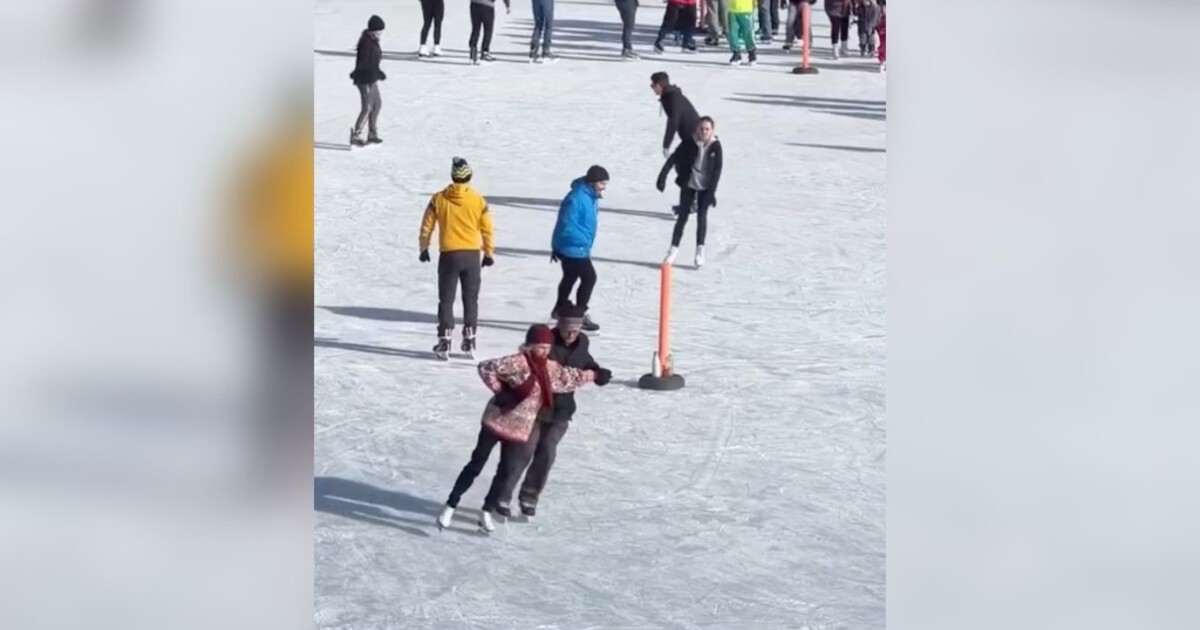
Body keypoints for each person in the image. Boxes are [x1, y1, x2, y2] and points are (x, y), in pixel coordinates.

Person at [436, 325, 603, 533]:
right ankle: (450, 505)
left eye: (546, 347)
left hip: (519, 429)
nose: (544, 351)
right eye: (540, 347)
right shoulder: (516, 362)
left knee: (505, 472)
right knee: (476, 464)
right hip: (495, 422)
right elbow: (486, 367)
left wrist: (594, 374)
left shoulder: (550, 369)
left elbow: (569, 377)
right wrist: (501, 392)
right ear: (530, 346)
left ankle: (486, 511)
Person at [509, 304, 610, 518]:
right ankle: (502, 495)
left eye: (577, 328)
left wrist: (598, 372)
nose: (572, 333)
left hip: (561, 413)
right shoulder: (546, 342)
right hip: (534, 411)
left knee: (547, 451)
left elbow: (587, 363)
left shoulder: (582, 343)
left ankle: (529, 495)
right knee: (523, 452)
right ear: (560, 325)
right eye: (568, 328)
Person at [418, 157, 496, 359]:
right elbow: (487, 229)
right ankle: (470, 337)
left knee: (446, 299)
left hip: (449, 256)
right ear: (469, 176)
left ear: (452, 175)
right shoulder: (478, 200)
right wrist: (488, 253)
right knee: (471, 299)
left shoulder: (438, 199)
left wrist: (424, 247)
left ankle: (444, 339)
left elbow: (427, 225)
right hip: (471, 255)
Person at [657, 116, 722, 267]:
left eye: (707, 129)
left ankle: (700, 250)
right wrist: (662, 176)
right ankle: (672, 251)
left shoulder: (716, 147)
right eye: (701, 129)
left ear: (712, 131)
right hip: (690, 184)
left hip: (706, 187)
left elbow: (717, 171)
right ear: (697, 129)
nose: (703, 132)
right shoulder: (689, 142)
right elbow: (674, 157)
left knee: (701, 216)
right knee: (682, 217)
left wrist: (712, 192)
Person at [550, 165, 609, 331]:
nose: (604, 187)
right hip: (572, 247)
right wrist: (582, 242)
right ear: (592, 182)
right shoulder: (576, 198)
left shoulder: (590, 197)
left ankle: (559, 308)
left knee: (570, 276)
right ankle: (579, 315)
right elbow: (567, 225)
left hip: (576, 247)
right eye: (602, 183)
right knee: (589, 277)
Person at [349, 15, 386, 147]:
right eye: (378, 31)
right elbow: (365, 64)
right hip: (364, 79)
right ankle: (356, 135)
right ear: (372, 30)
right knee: (368, 107)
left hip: (371, 78)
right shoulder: (366, 43)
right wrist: (377, 73)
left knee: (377, 104)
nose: (380, 34)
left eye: (381, 32)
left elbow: (373, 62)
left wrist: (378, 73)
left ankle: (372, 133)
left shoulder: (372, 40)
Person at [650, 72, 701, 158]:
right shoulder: (670, 96)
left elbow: (673, 122)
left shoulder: (672, 99)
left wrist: (666, 145)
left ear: (659, 85)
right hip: (691, 136)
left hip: (695, 137)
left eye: (653, 85)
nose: (652, 88)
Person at [469, 0, 511, 64]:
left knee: (475, 29)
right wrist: (507, 5)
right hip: (487, 6)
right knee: (488, 30)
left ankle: (473, 51)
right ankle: (485, 52)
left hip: (474, 4)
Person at [726, 0, 759, 65]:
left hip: (746, 9)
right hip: (732, 9)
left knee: (748, 32)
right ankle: (736, 53)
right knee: (733, 33)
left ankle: (751, 52)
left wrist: (755, 4)